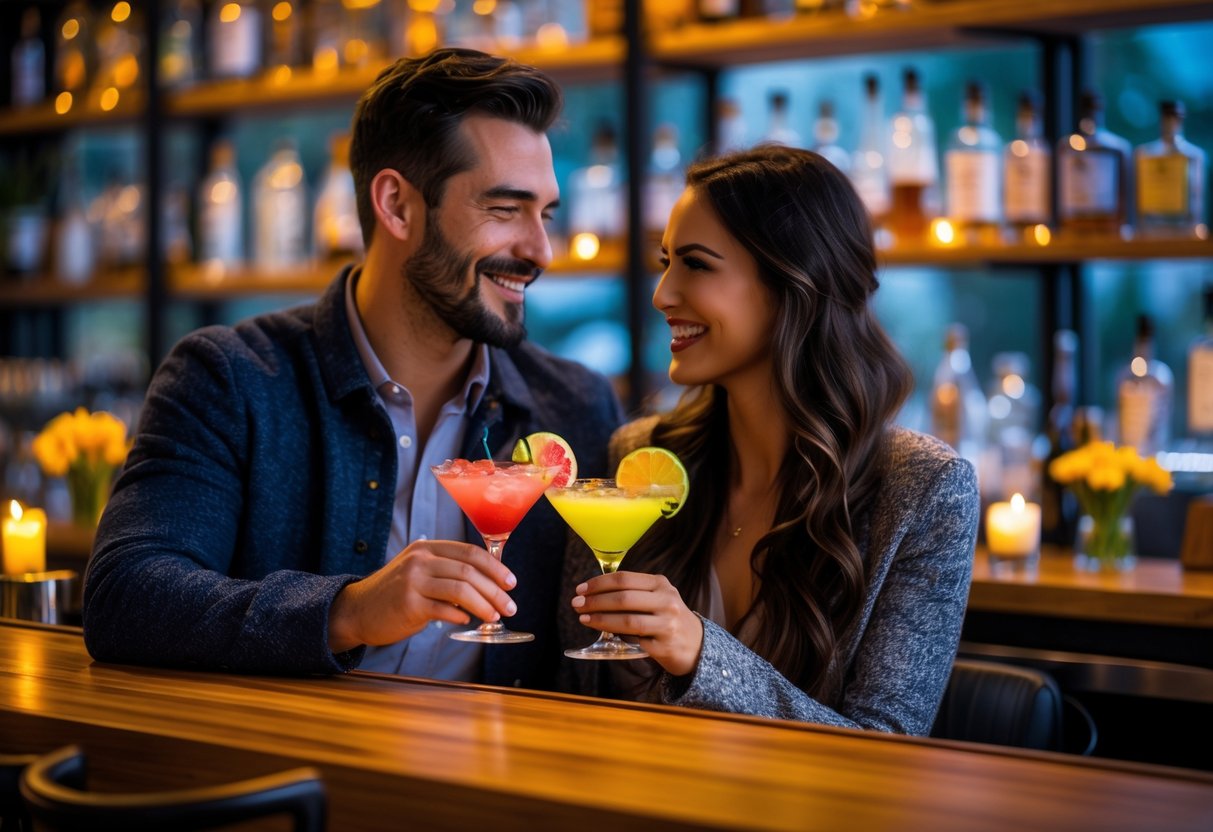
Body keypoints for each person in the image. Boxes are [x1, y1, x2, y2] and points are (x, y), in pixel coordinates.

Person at [83, 48, 623, 690]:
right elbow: (126, 597)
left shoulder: (577, 407)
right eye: (505, 210)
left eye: (547, 214)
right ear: (396, 205)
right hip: (290, 773)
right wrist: (350, 610)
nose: (541, 251)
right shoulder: (229, 378)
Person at [560, 146, 978, 734]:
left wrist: (703, 656)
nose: (662, 294)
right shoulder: (639, 460)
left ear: (792, 283)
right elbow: (574, 694)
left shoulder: (923, 491)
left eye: (697, 264)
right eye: (664, 263)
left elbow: (886, 749)